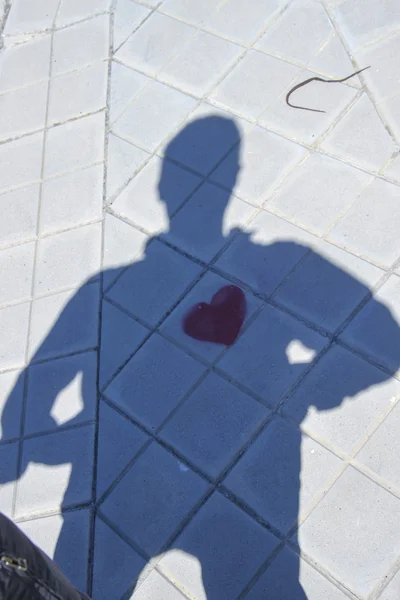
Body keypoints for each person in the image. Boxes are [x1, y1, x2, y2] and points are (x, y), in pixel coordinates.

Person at [1, 116, 399, 599]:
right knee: (270, 585)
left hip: (123, 478)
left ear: (165, 192)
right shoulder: (101, 287)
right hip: (225, 463)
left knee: (68, 583)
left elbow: (33, 395)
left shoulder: (100, 288)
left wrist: (45, 445)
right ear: (232, 178)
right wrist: (310, 392)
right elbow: (385, 338)